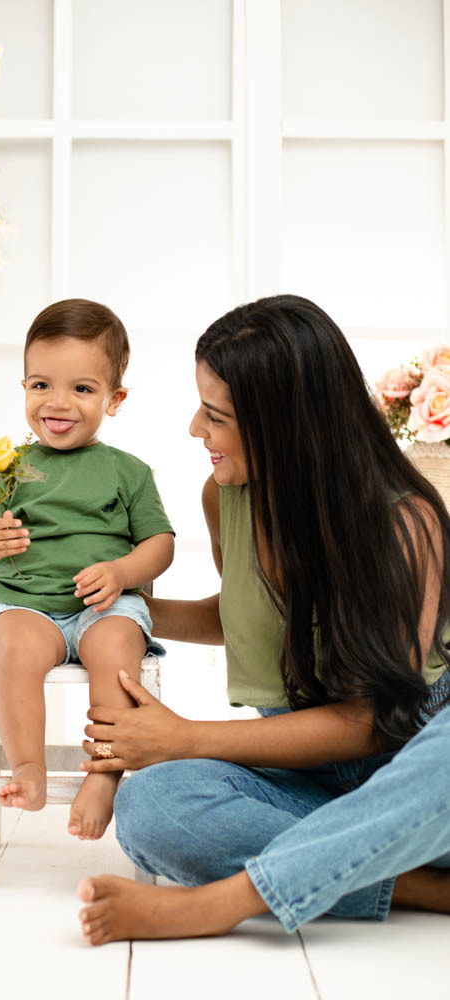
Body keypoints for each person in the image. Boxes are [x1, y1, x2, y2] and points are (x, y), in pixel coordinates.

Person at [75, 294, 450, 944]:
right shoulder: (225, 496)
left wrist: (186, 736)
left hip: (415, 767)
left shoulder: (404, 525)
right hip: (306, 779)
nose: (195, 428)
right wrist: (128, 608)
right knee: (151, 804)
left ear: (286, 426)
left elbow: (370, 723)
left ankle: (225, 902)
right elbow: (245, 618)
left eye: (215, 416)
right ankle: (414, 884)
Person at [0, 299, 174, 840]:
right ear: (24, 386)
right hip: (28, 606)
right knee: (12, 644)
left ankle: (104, 771)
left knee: (116, 648)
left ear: (114, 399)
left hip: (105, 607)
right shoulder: (5, 469)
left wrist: (122, 572)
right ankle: (28, 766)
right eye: (41, 385)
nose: (58, 402)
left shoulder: (128, 471)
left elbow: (160, 545)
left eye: (82, 388)